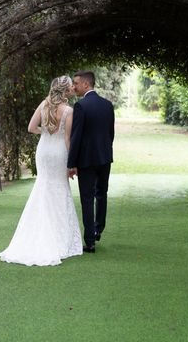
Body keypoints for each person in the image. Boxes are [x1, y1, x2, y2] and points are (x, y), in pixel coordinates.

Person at [0, 76, 83, 266]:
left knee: (42, 186)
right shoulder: (69, 111)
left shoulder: (44, 104)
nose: (72, 89)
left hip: (44, 150)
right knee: (60, 188)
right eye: (70, 87)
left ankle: (37, 232)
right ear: (65, 91)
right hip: (59, 150)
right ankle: (59, 238)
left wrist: (44, 131)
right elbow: (68, 139)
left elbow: (31, 127)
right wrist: (72, 163)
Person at [67, 70, 115, 253]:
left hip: (86, 160)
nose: (74, 87)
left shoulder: (81, 106)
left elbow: (76, 137)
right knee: (102, 194)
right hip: (104, 158)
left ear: (86, 84)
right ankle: (97, 229)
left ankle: (90, 242)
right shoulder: (108, 105)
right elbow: (110, 134)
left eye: (76, 83)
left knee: (87, 199)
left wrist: (71, 163)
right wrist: (105, 152)